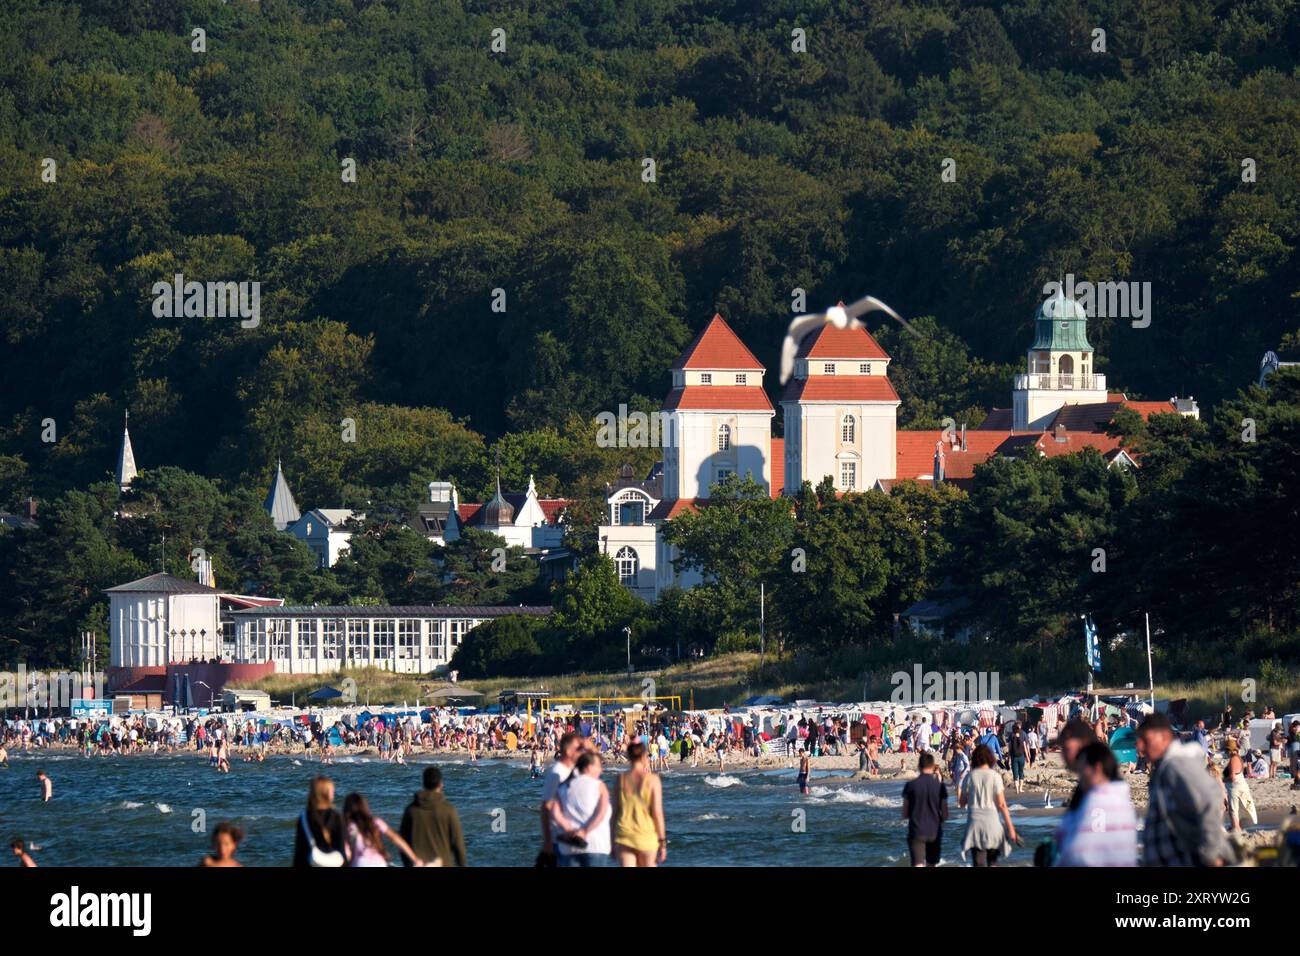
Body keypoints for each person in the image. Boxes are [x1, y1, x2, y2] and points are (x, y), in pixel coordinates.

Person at [1137, 713, 1232, 866]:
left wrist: (1211, 855)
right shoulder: (1163, 768)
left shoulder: (1177, 765)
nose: (1140, 746)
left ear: (1164, 737)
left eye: (1145, 740)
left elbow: (1210, 797)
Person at [1053, 742, 1137, 866]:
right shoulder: (1122, 798)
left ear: (1097, 768)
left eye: (1082, 770)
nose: (1080, 777)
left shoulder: (1098, 801)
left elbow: (1078, 853)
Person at [959, 744, 1018, 866]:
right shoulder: (995, 776)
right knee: (993, 862)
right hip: (992, 823)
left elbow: (962, 803)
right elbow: (1002, 805)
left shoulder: (969, 777)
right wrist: (1011, 829)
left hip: (974, 823)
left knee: (978, 862)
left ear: (975, 758)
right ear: (991, 758)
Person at [611, 741, 666, 866]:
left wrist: (611, 841)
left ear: (629, 757)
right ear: (644, 756)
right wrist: (662, 842)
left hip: (624, 835)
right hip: (646, 835)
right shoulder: (653, 780)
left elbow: (614, 812)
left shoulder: (621, 779)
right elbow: (657, 813)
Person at [551, 751, 612, 867]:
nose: (601, 770)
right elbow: (601, 812)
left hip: (569, 845)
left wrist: (569, 830)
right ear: (589, 767)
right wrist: (584, 831)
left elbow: (555, 812)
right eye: (599, 766)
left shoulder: (563, 786)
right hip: (595, 845)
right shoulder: (599, 786)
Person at [400, 766, 465, 867]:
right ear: (440, 784)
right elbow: (458, 844)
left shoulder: (411, 810)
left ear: (423, 783)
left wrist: (408, 863)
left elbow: (403, 843)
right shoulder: (449, 810)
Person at [343, 792, 425, 867]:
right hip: (379, 863)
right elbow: (395, 839)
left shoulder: (348, 827)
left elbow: (346, 852)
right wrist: (415, 858)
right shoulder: (375, 822)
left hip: (360, 863)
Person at [539, 731, 582, 864]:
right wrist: (547, 841)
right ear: (569, 751)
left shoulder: (574, 771)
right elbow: (546, 807)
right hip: (559, 838)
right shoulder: (556, 773)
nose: (581, 752)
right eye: (578, 749)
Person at [901, 752, 949, 867]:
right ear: (932, 767)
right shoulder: (940, 786)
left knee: (918, 864)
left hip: (917, 829)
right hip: (934, 830)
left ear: (919, 766)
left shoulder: (910, 785)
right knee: (931, 864)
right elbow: (945, 814)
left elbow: (905, 813)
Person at [293, 776, 346, 867]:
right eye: (332, 791)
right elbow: (342, 850)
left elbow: (299, 853)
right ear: (327, 793)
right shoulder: (337, 816)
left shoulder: (304, 817)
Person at [1223, 753, 1258, 832]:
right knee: (1241, 808)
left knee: (1233, 809)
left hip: (1235, 788)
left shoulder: (1234, 759)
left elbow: (1232, 777)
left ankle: (1236, 828)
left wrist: (1222, 780)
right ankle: (1236, 827)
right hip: (1239, 787)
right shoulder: (1238, 758)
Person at [1008, 722, 1028, 794]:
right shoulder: (1023, 733)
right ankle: (1020, 789)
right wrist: (1027, 756)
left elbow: (1009, 747)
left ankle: (1016, 790)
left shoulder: (1011, 735)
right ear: (1020, 726)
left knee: (1015, 773)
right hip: (1021, 756)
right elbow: (1025, 746)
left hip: (1014, 757)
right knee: (1021, 772)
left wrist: (1008, 757)